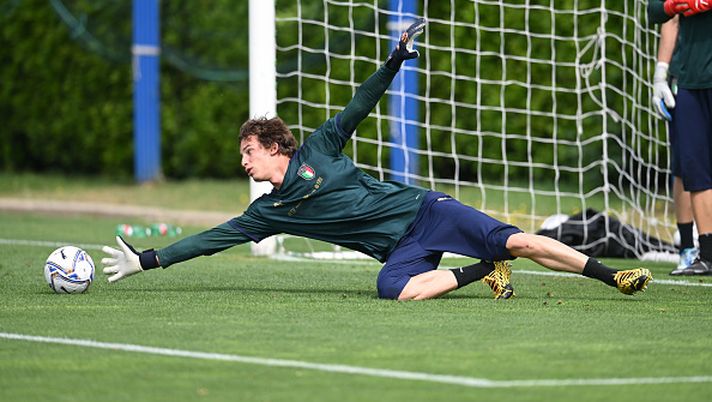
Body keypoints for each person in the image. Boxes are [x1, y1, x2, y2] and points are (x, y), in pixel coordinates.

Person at [102, 19, 652, 300]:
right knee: (392, 290)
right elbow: (212, 239)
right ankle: (482, 269)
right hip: (403, 251)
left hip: (426, 212)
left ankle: (613, 277)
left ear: (274, 148)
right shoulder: (267, 213)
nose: (243, 163)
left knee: (521, 241)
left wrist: (394, 60)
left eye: (247, 152)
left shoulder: (318, 147)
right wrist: (149, 261)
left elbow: (360, 103)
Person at [649, 0, 712, 275]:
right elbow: (656, 11)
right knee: (692, 166)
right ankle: (704, 253)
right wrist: (660, 75)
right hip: (688, 79)